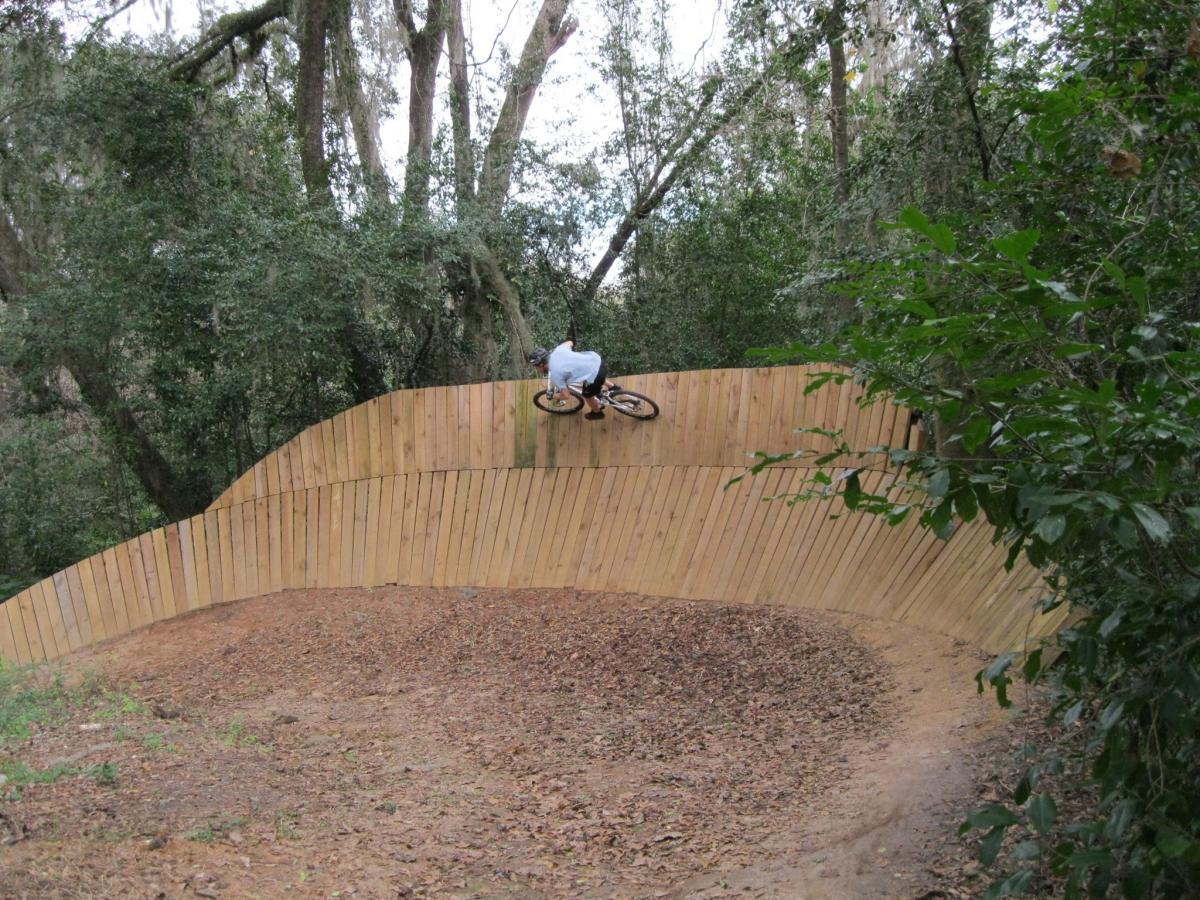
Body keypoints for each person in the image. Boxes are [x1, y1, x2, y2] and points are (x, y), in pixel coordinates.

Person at [527, 341, 616, 420]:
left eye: (536, 367)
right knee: (590, 373)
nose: (537, 369)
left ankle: (597, 413)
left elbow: (566, 396)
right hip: (597, 360)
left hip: (597, 376)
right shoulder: (558, 350)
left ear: (541, 365)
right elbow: (570, 342)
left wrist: (553, 396)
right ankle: (613, 387)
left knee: (588, 396)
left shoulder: (555, 374)